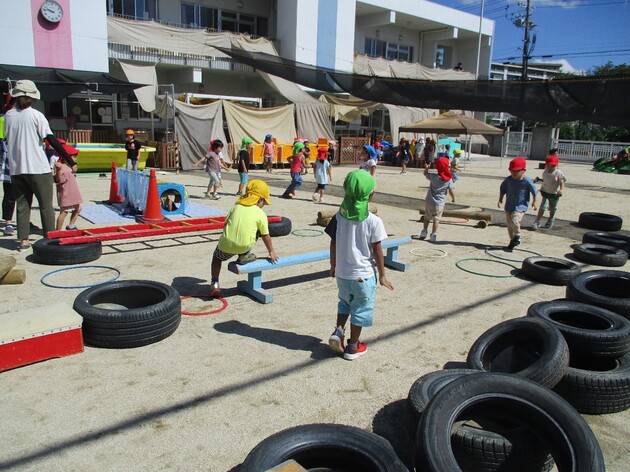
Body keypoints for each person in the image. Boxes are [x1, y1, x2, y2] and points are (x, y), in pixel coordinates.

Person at [325, 169, 394, 360]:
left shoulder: (338, 217)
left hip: (343, 274)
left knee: (345, 303)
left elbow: (333, 242)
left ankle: (338, 332)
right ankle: (353, 347)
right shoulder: (374, 221)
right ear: (370, 194)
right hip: (364, 275)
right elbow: (378, 250)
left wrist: (333, 265)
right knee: (361, 309)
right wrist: (382, 275)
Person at [4, 80, 74, 251]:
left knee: (22, 205)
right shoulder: (36, 115)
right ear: (31, 98)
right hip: (37, 168)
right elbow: (51, 140)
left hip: (17, 169)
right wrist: (70, 160)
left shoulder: (8, 116)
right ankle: (49, 239)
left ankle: (23, 241)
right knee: (45, 206)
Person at [209, 180, 278, 298]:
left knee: (216, 258)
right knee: (256, 231)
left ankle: (214, 283)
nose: (263, 206)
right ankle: (244, 256)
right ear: (260, 200)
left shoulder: (236, 207)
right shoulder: (260, 213)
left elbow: (226, 225)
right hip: (244, 246)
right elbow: (266, 236)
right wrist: (271, 251)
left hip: (226, 244)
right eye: (264, 203)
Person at [498, 157, 538, 250]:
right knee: (509, 225)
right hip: (509, 206)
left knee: (515, 220)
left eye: (517, 171)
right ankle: (513, 241)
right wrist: (500, 199)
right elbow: (502, 189)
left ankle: (518, 236)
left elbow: (534, 191)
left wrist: (535, 201)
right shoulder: (508, 180)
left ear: (523, 170)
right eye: (512, 171)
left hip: (520, 206)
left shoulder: (527, 181)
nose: (514, 173)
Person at [418, 157, 455, 242]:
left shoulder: (433, 176)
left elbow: (425, 174)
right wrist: (453, 198)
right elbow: (451, 191)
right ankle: (433, 234)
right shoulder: (448, 180)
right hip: (440, 203)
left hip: (429, 201)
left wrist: (426, 168)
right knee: (436, 219)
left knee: (427, 218)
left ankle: (424, 231)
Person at [50, 139, 83, 231]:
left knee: (78, 207)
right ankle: (58, 231)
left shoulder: (68, 167)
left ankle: (71, 224)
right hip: (65, 194)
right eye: (74, 156)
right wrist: (58, 170)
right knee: (64, 212)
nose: (75, 158)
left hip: (73, 193)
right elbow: (58, 180)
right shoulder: (61, 167)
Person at [532, 151, 566, 229]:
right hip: (545, 192)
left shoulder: (558, 173)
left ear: (556, 166)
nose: (550, 168)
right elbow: (546, 181)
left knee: (552, 208)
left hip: (554, 194)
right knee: (543, 207)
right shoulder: (545, 172)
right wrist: (540, 186)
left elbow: (562, 182)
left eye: (552, 166)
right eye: (548, 166)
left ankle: (550, 219)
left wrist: (561, 190)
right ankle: (537, 221)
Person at [0, 104, 16, 236]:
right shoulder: (3, 119)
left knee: (25, 196)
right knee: (9, 196)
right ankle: (8, 223)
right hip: (8, 166)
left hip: (24, 166)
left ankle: (24, 221)